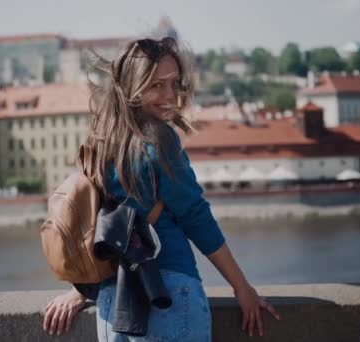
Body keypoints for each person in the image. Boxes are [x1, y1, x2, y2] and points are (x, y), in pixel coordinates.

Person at [43, 37, 280, 341]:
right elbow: (196, 218)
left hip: (111, 303)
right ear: (132, 87)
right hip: (167, 295)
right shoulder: (159, 139)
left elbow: (100, 226)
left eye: (174, 84)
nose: (170, 95)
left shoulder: (100, 142)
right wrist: (242, 288)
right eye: (156, 85)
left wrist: (80, 291)